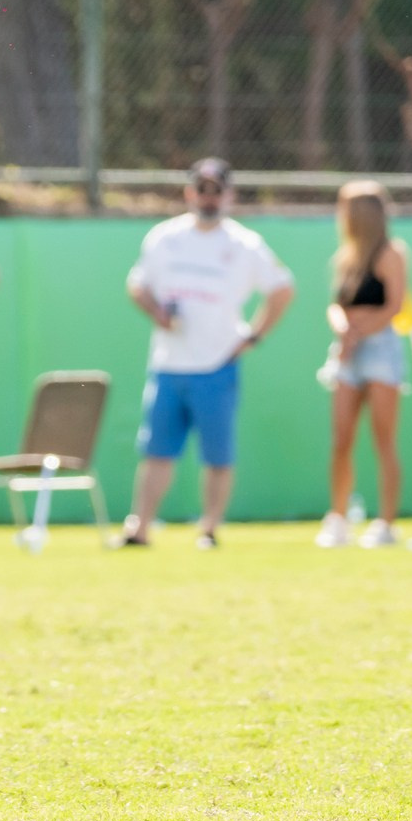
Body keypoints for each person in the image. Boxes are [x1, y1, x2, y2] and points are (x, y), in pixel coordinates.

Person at [122, 159, 295, 550]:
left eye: (217, 190)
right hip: (168, 363)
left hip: (217, 364)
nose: (209, 198)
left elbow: (282, 290)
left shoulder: (243, 244)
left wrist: (253, 336)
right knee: (156, 452)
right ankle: (140, 528)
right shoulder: (164, 238)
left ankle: (210, 528)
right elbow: (137, 284)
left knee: (217, 455)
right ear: (189, 193)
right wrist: (157, 312)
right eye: (202, 189)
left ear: (229, 195)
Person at [316, 180, 411, 549]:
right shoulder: (346, 256)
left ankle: (386, 524)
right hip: (347, 351)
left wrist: (359, 334)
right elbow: (335, 305)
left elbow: (394, 306)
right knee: (342, 439)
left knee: (383, 439)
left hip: (380, 349)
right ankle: (337, 518)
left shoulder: (391, 253)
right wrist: (344, 331)